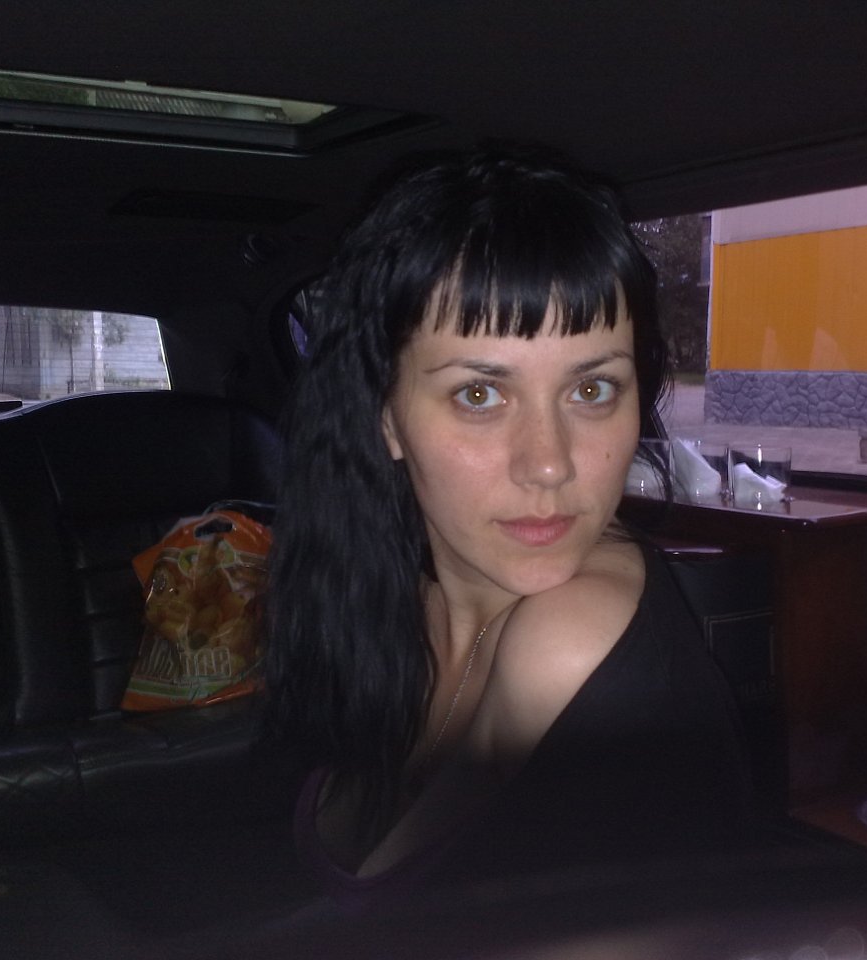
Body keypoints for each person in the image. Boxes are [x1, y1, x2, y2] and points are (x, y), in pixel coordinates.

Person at [264, 144, 752, 908]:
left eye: (592, 389)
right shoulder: (388, 598)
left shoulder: (567, 639)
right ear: (386, 416)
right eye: (480, 396)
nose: (549, 464)